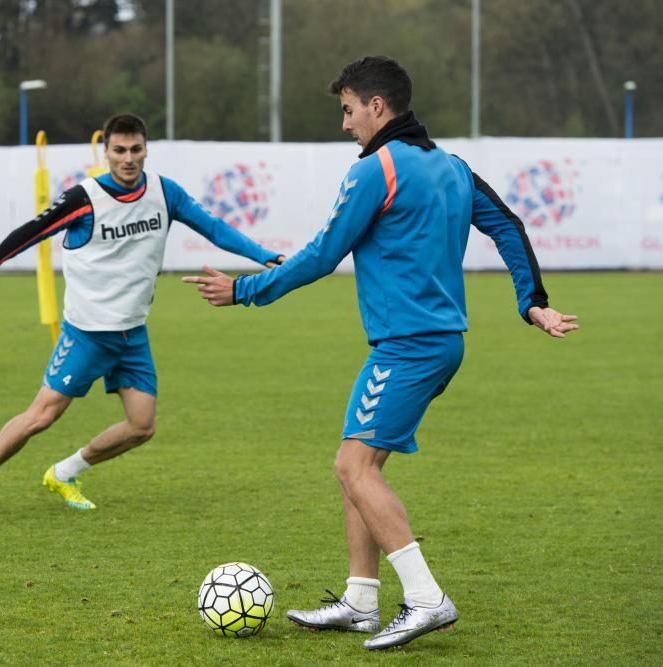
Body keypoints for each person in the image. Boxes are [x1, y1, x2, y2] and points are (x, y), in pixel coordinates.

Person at [183, 56, 579, 651]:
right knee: (356, 465)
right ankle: (361, 600)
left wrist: (243, 291)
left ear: (376, 106)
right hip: (433, 343)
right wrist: (532, 301)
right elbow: (509, 225)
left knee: (353, 467)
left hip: (409, 347)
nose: (345, 125)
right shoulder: (452, 166)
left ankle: (426, 598)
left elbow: (322, 254)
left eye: (348, 110)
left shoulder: (375, 170)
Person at [0, 113, 285, 518]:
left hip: (132, 334)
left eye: (135, 149)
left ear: (146, 149)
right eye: (119, 150)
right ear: (106, 152)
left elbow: (214, 227)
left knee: (142, 426)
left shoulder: (163, 192)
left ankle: (64, 472)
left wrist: (265, 256)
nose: (128, 158)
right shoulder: (84, 198)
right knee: (41, 416)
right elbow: (34, 230)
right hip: (87, 333)